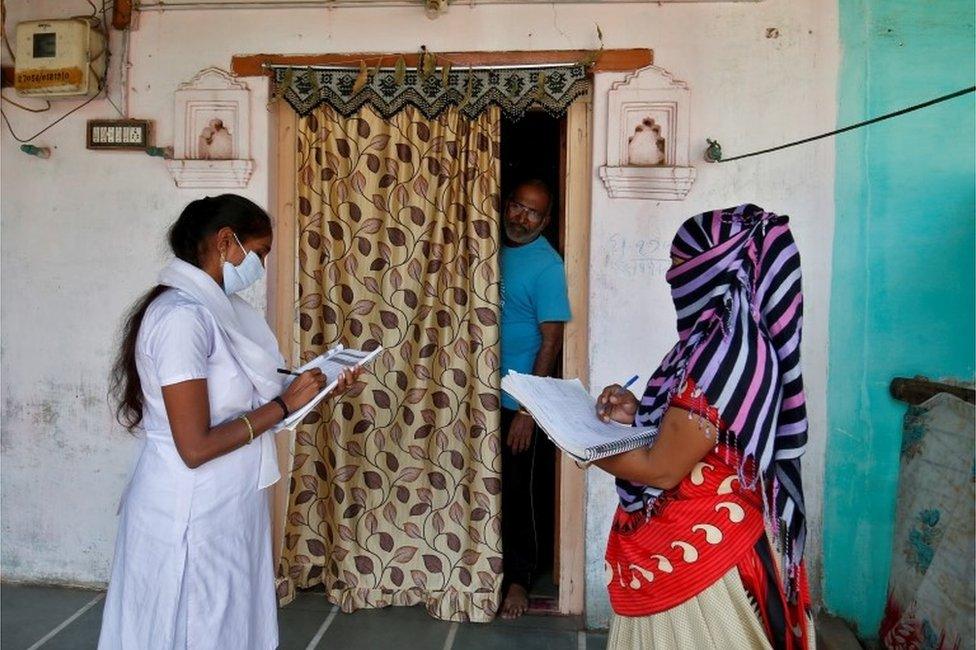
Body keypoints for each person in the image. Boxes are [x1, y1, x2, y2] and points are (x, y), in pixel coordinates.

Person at [99, 194, 360, 649]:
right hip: (188, 508)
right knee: (191, 622)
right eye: (258, 253)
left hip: (229, 503)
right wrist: (282, 407)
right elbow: (195, 447)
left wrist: (318, 386)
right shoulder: (183, 319)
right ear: (225, 242)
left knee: (227, 618)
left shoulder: (225, 311)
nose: (259, 264)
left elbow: (260, 399)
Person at [593, 204, 814, 649]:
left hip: (702, 561)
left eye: (680, 264)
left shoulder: (727, 355)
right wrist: (638, 412)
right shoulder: (710, 343)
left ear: (712, 268)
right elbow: (703, 432)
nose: (672, 278)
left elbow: (662, 470)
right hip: (697, 543)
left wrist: (578, 443)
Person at [498, 179, 571, 619]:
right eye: (518, 207)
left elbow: (552, 341)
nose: (521, 218)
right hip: (472, 393)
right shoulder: (483, 241)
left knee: (518, 492)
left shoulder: (547, 266)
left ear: (545, 221)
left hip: (516, 400)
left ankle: (519, 581)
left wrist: (529, 408)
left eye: (533, 213)